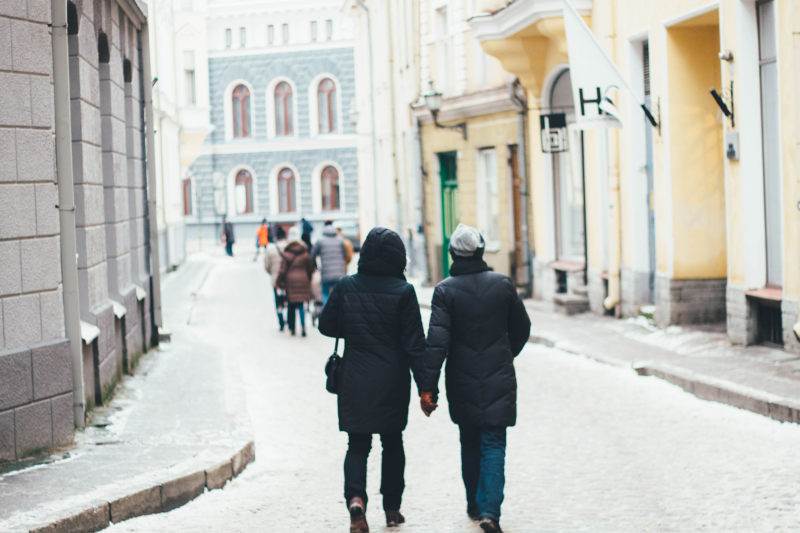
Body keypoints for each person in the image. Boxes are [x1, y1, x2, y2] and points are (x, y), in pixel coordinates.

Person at [421, 224, 531, 533]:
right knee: (494, 443)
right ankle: (489, 512)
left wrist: (428, 387)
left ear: (453, 253)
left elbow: (437, 343)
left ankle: (473, 503)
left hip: (461, 379)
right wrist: (506, 354)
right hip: (499, 377)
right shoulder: (503, 285)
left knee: (469, 441)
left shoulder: (445, 291)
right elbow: (522, 328)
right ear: (481, 251)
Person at [318, 227, 427, 533]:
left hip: (354, 378)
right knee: (392, 443)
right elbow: (416, 345)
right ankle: (392, 509)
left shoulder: (346, 286)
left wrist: (353, 322)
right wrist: (426, 387)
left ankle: (356, 500)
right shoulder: (404, 292)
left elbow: (326, 326)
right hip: (392, 380)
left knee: (357, 445)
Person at [276, 226, 314, 337]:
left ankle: (292, 328)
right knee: (301, 304)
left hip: (290, 281)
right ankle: (303, 326)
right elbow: (310, 268)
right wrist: (308, 278)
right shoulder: (304, 252)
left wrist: (279, 281)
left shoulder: (286, 253)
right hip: (303, 280)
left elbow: (282, 270)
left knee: (291, 305)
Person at [311, 220, 347, 306]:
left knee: (325, 293)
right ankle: (339, 314)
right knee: (339, 294)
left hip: (326, 273)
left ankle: (326, 315)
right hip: (339, 273)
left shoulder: (320, 240)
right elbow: (345, 255)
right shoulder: (340, 240)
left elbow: (312, 255)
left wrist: (316, 266)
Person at [264, 226, 288, 330]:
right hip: (287, 280)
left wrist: (273, 273)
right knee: (289, 300)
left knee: (278, 301)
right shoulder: (289, 247)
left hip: (276, 281)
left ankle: (281, 321)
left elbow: (267, 266)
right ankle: (290, 320)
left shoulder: (271, 250)